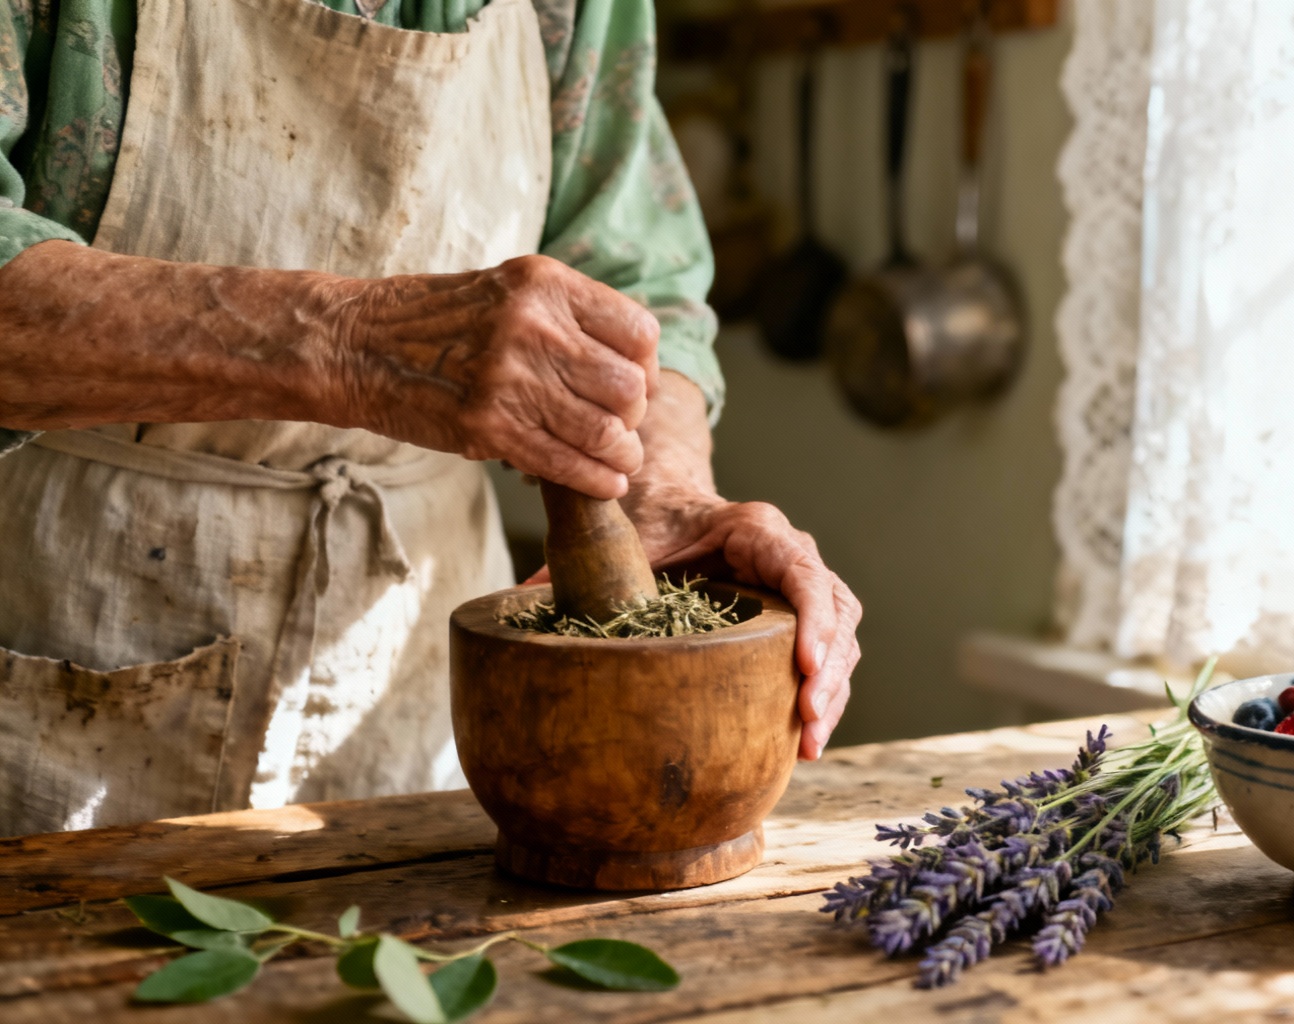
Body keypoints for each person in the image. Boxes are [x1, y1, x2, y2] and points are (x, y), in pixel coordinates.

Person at [0, 0, 860, 838]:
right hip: (70, 626)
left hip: (412, 692)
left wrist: (660, 488)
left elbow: (639, 278)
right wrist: (351, 346)